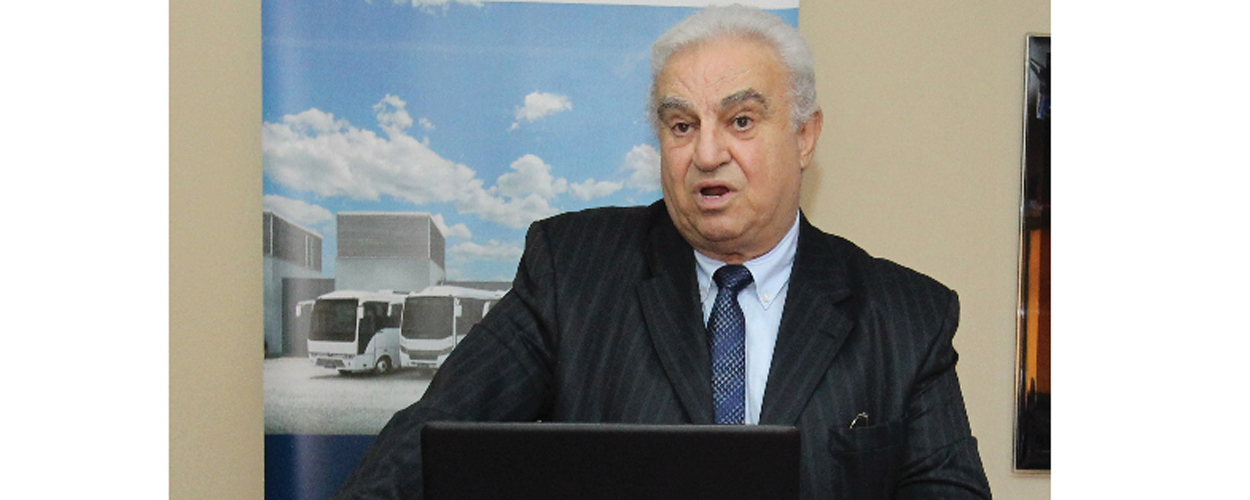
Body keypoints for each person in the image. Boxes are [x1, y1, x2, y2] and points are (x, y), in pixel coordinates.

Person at [334, 5, 991, 499]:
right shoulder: (570, 272)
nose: (706, 153)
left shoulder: (905, 316)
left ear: (804, 136)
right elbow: (421, 448)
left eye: (740, 121)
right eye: (681, 125)